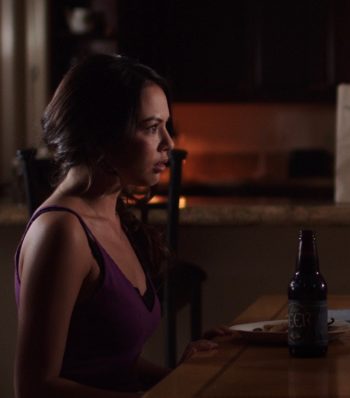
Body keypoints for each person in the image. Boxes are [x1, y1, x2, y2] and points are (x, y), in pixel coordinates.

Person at [14, 54, 221, 397]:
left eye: (166, 127)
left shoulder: (111, 216)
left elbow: (109, 365)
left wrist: (180, 378)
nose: (168, 144)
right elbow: (35, 387)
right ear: (101, 134)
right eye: (152, 128)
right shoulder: (62, 232)